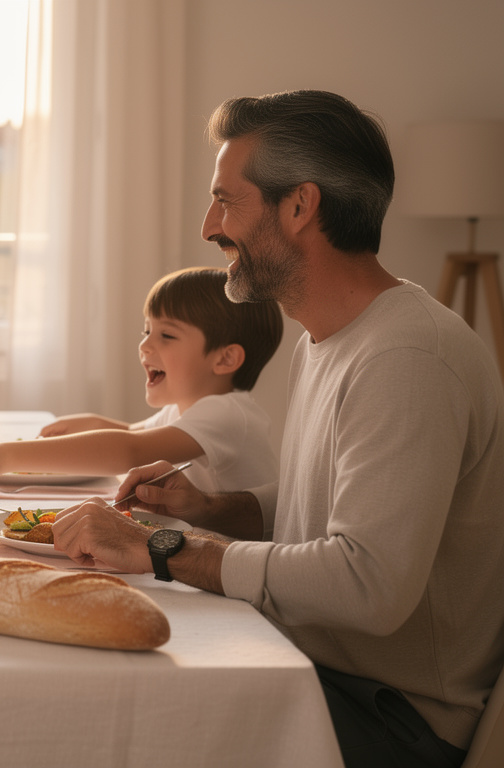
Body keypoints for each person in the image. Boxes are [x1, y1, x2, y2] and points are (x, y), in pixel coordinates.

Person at [49, 90, 504, 768]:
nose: (209, 226)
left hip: (394, 719)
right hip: (322, 668)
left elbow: (368, 583)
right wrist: (210, 508)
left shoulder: (407, 356)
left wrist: (164, 547)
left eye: (225, 201)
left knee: (99, 713)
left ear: (299, 207)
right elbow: (330, 502)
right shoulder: (330, 338)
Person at [0, 266, 283, 499]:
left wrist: (3, 456)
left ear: (225, 359)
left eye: (167, 335)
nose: (145, 345)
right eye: (146, 331)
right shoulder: (187, 411)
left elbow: (131, 450)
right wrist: (96, 422)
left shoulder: (227, 414)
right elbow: (135, 435)